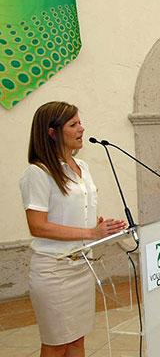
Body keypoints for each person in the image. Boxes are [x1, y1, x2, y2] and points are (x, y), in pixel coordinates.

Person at [19, 101, 127, 357]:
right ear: (52, 132)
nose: (81, 128)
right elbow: (37, 226)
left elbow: (76, 215)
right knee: (57, 344)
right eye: (73, 124)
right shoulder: (38, 172)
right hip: (54, 270)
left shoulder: (83, 168)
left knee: (77, 340)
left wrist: (98, 227)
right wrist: (90, 233)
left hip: (82, 266)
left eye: (80, 122)